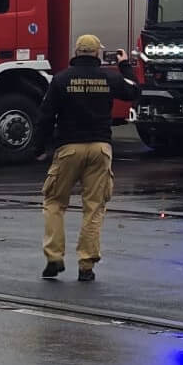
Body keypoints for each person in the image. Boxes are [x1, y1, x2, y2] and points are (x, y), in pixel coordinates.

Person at [39, 34, 138, 282]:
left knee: (54, 202)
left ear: (76, 51)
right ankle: (86, 264)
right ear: (96, 54)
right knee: (93, 207)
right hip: (100, 148)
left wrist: (41, 147)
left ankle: (54, 257)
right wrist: (124, 65)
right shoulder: (109, 77)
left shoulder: (61, 79)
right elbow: (134, 91)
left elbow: (46, 116)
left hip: (69, 147)